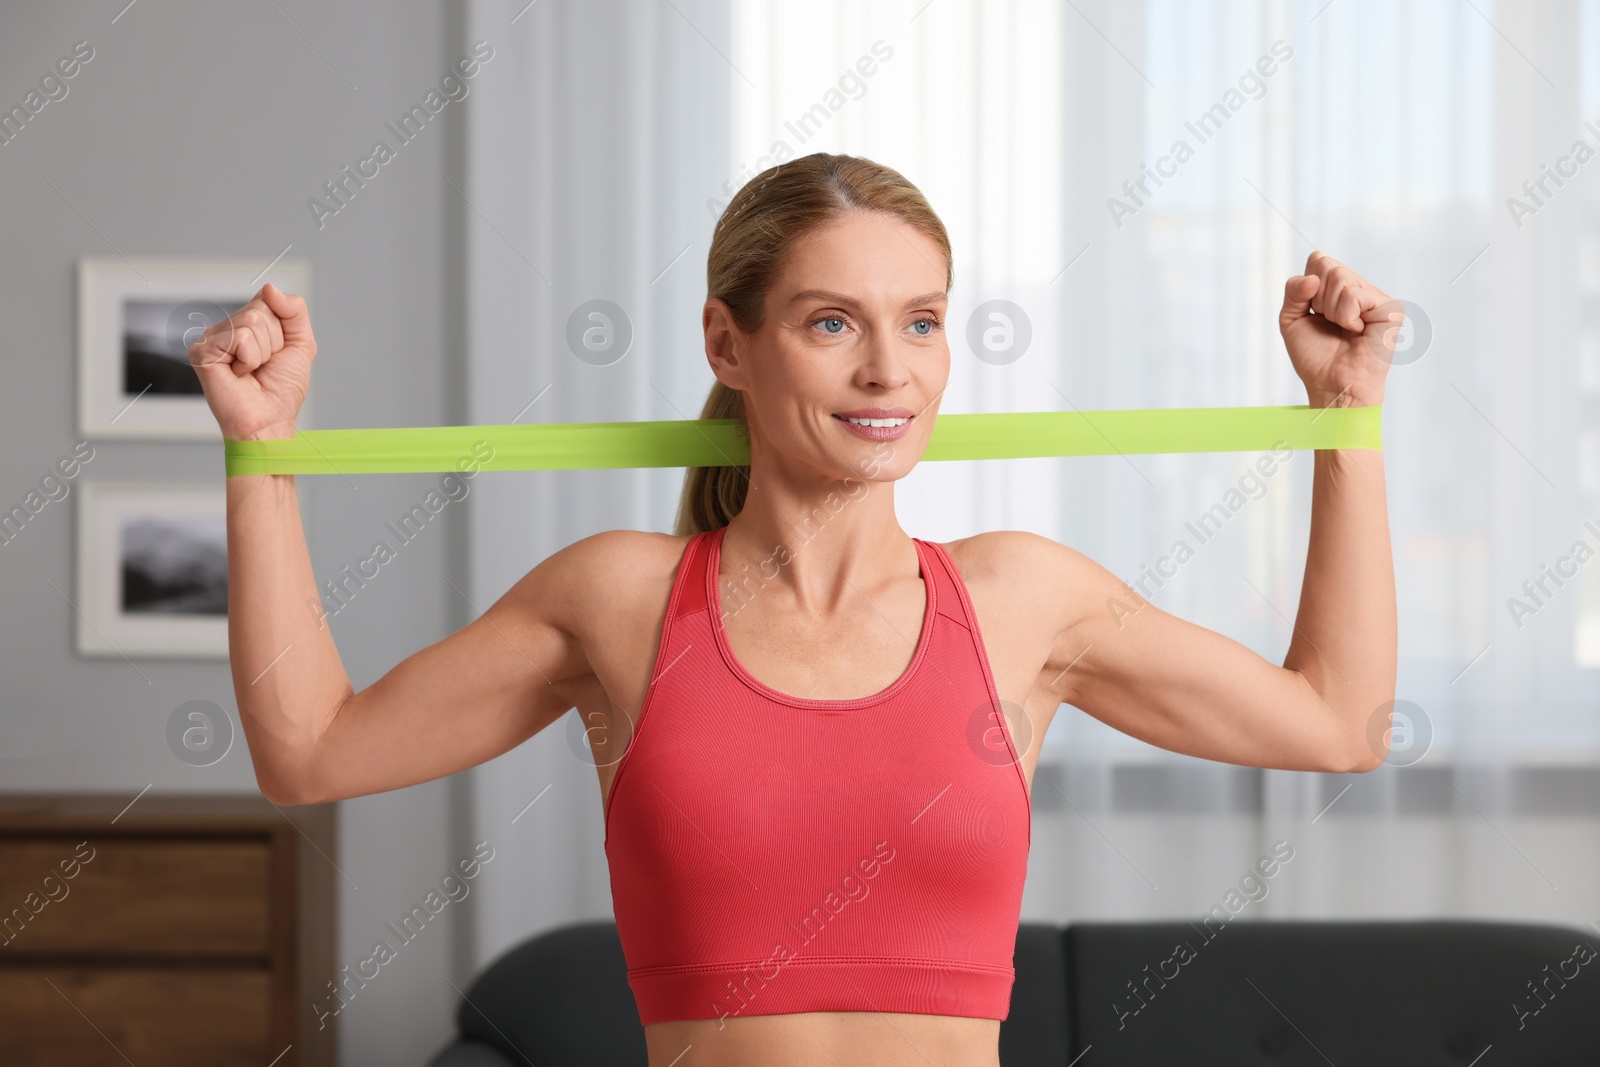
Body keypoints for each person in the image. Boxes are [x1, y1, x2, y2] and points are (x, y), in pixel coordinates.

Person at [191, 152, 1397, 1067]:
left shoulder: (1020, 599)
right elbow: (309, 749)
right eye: (833, 322)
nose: (891, 371)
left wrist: (1348, 421)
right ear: (728, 340)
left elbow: (1337, 721)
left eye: (921, 321)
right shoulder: (618, 599)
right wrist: (262, 460)